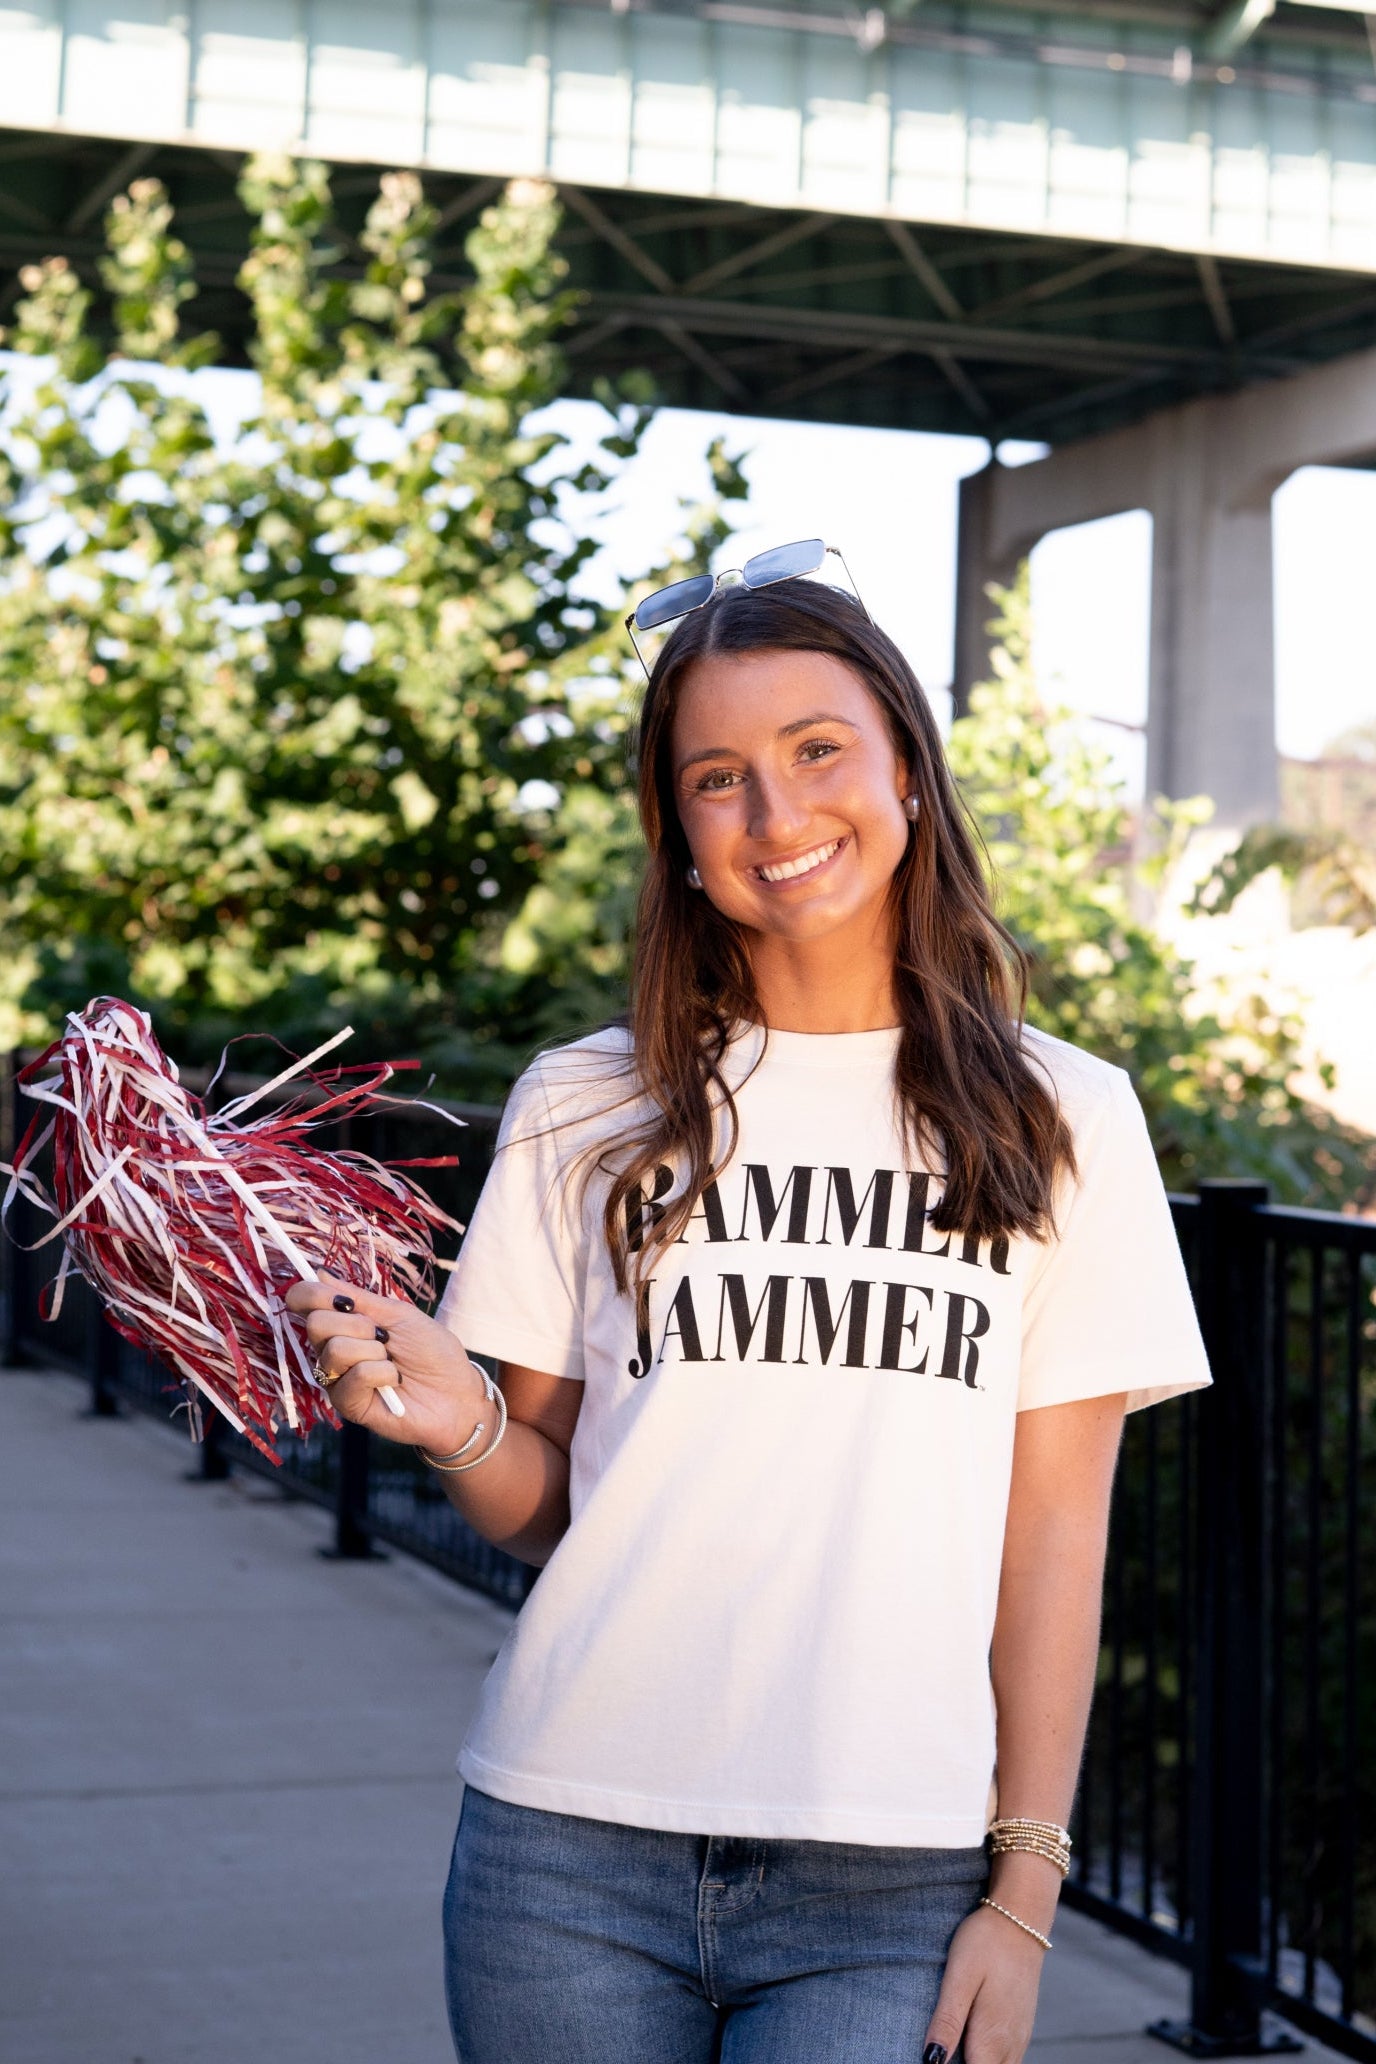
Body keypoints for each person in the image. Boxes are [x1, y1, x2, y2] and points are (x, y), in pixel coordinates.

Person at [289, 560, 1211, 2064]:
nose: (778, 817)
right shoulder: (586, 1102)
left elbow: (1053, 1537)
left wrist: (1024, 1890)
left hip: (893, 1879)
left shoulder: (1066, 1117)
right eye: (719, 778)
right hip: (563, 1854)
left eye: (817, 749)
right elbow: (548, 1502)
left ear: (908, 765)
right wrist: (454, 1422)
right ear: (676, 830)